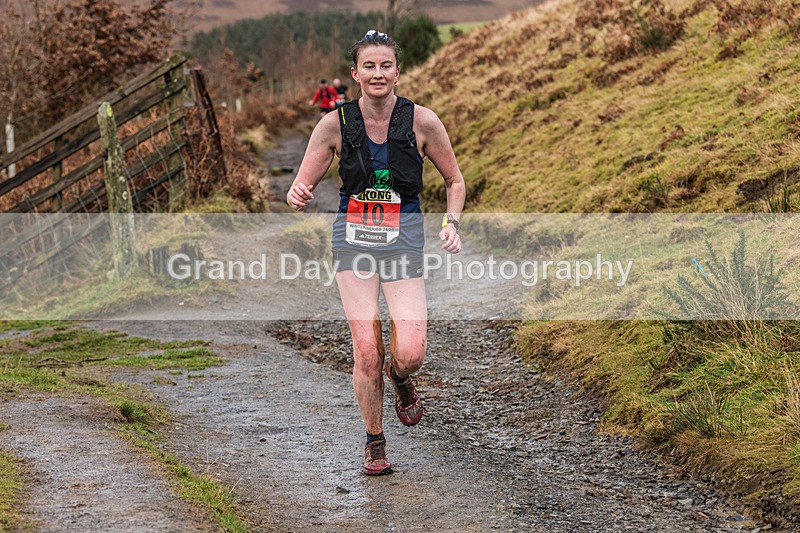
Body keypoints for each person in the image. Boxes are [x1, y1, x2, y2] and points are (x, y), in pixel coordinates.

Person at [287, 29, 465, 476]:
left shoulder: (423, 122)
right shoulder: (334, 124)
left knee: (412, 352)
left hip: (403, 242)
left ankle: (401, 379)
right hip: (353, 242)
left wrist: (452, 222)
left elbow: (454, 181)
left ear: (398, 73)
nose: (377, 73)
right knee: (367, 350)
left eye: (386, 65)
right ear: (355, 74)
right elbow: (302, 181)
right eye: (369, 66)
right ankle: (374, 440)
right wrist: (298, 192)